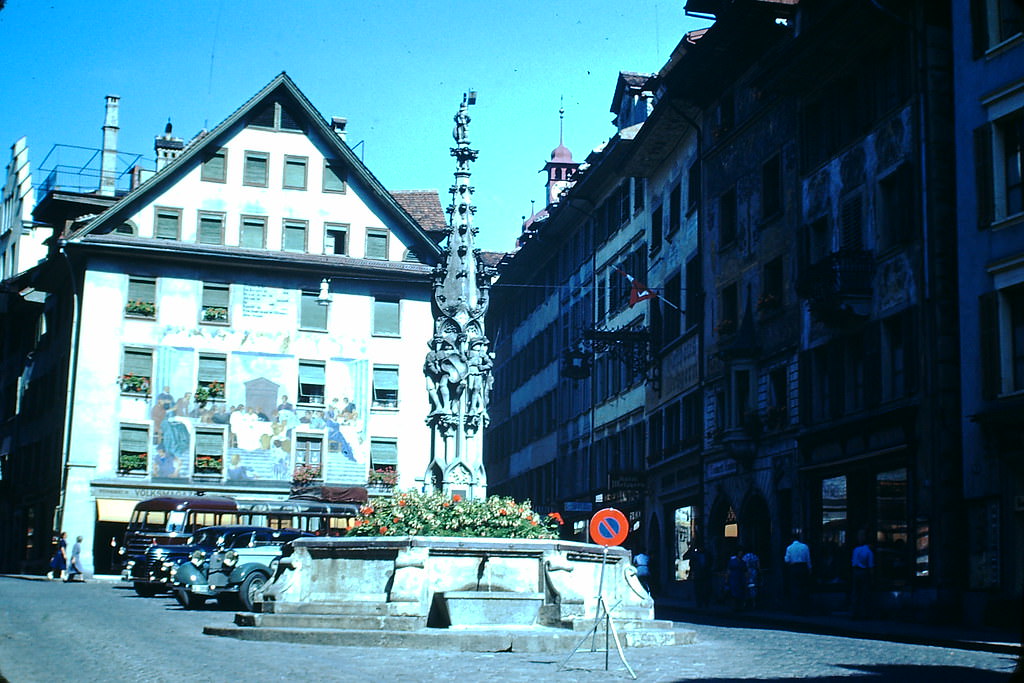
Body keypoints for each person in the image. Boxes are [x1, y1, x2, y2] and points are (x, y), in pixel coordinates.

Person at [784, 533, 812, 614]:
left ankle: (796, 608)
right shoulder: (805, 546)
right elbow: (808, 559)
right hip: (803, 567)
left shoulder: (789, 548)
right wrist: (810, 569)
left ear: (792, 539)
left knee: (795, 587)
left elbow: (787, 560)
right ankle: (804, 608)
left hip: (794, 567)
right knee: (804, 587)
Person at [850, 530, 874, 619]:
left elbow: (853, 561)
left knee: (855, 593)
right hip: (864, 572)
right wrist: (872, 578)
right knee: (864, 593)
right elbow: (871, 566)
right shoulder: (869, 552)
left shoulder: (856, 550)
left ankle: (854, 613)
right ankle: (864, 613)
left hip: (855, 571)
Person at [683, 539, 711, 608]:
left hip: (705, 574)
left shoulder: (707, 555)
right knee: (698, 589)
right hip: (698, 574)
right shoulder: (695, 555)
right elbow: (690, 563)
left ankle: (705, 602)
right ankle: (699, 603)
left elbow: (710, 562)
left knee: (705, 589)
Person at [726, 547, 748, 611]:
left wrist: (746, 580)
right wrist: (727, 579)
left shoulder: (743, 562)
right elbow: (728, 570)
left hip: (740, 578)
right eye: (739, 553)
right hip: (733, 578)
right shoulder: (732, 561)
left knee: (740, 593)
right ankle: (734, 606)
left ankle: (740, 606)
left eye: (741, 553)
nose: (740, 554)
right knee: (733, 593)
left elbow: (745, 571)